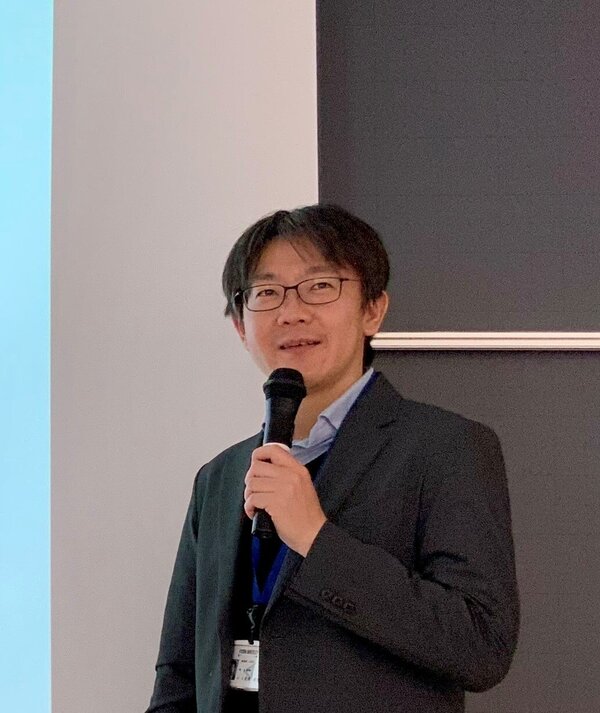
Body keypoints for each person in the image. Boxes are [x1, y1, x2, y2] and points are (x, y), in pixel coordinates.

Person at [146, 204, 519, 713]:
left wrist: (315, 539)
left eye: (320, 286)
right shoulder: (220, 476)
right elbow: (180, 673)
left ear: (373, 310)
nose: (291, 312)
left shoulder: (446, 448)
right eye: (266, 293)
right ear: (240, 326)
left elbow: (481, 645)